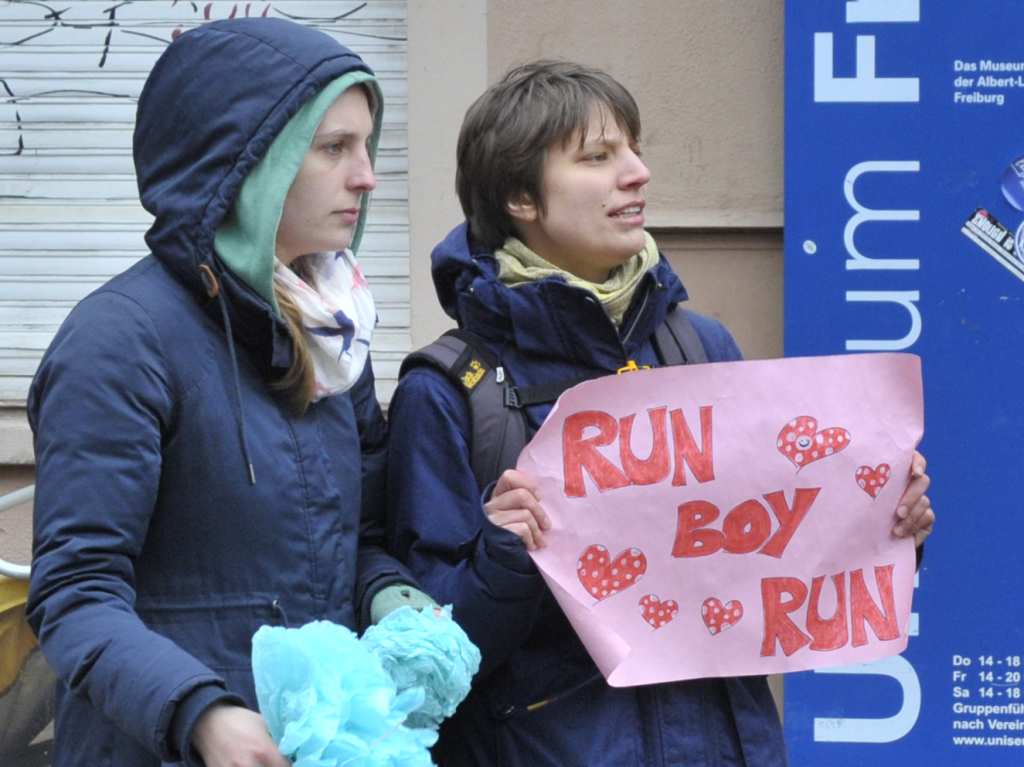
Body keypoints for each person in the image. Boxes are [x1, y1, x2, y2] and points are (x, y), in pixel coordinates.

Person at [386, 61, 935, 766]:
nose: (638, 173)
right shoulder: (448, 389)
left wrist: (887, 528)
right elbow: (427, 664)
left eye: (635, 149)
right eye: (599, 156)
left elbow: (775, 557)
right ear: (521, 195)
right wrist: (503, 555)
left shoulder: (699, 344)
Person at [26, 18, 434, 767]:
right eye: (334, 147)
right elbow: (75, 593)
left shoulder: (335, 335)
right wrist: (201, 711)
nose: (367, 175)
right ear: (247, 162)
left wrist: (393, 602)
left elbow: (357, 540)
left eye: (367, 145)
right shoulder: (119, 339)